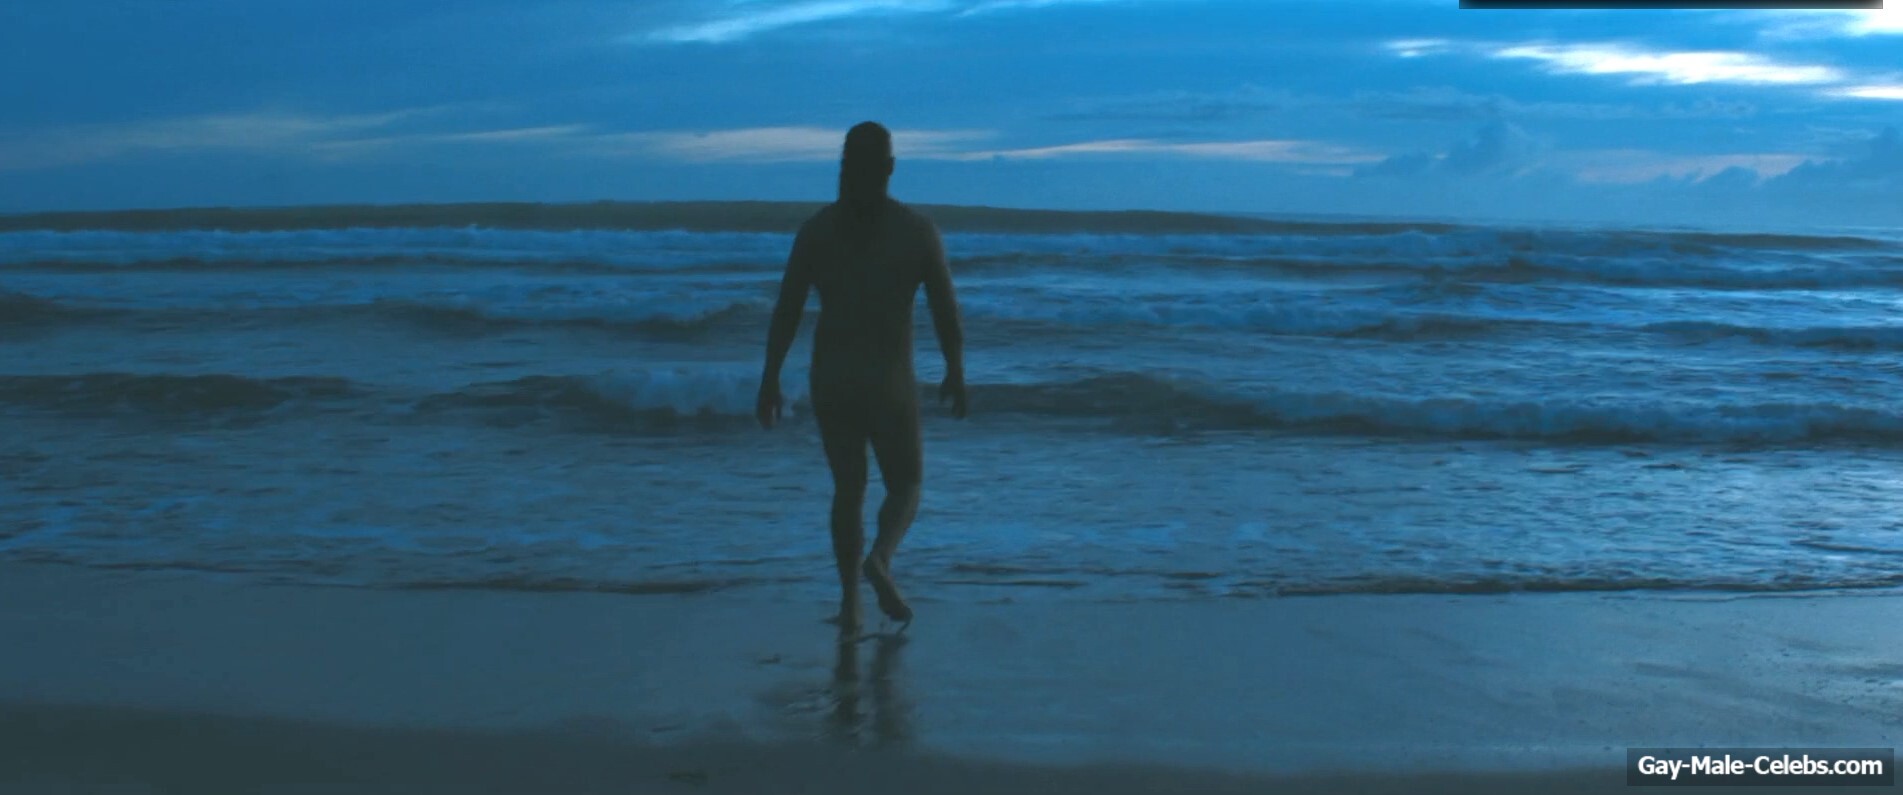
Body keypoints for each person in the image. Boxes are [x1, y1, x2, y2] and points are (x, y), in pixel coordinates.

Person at [756, 121, 967, 640]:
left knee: (848, 489)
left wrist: (770, 377)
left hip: (832, 376)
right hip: (888, 377)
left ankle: (850, 603)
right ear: (890, 168)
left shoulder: (817, 230)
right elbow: (945, 310)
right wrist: (955, 369)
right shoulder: (916, 232)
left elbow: (787, 310)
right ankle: (881, 558)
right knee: (907, 482)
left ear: (843, 166)